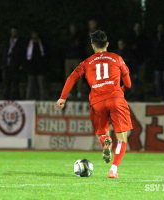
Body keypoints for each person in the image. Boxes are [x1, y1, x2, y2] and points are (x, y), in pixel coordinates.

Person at [54, 30, 133, 178]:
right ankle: (113, 170)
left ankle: (105, 142)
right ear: (107, 44)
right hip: (116, 99)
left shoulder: (87, 62)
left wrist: (63, 97)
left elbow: (72, 77)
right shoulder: (117, 58)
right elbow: (128, 84)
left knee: (103, 132)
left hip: (97, 102)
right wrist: (121, 89)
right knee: (122, 139)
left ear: (93, 46)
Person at [0, 27, 25, 100]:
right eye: (12, 31)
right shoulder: (6, 42)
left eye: (15, 31)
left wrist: (21, 64)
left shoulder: (20, 42)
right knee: (6, 82)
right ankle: (6, 97)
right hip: (6, 64)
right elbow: (1, 53)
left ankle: (15, 97)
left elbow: (23, 54)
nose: (13, 33)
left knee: (15, 82)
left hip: (15, 64)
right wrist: (1, 63)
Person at [25, 31, 47, 100]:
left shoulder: (42, 44)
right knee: (30, 85)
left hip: (40, 68)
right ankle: (28, 99)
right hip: (31, 68)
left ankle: (42, 98)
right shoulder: (29, 44)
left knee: (41, 85)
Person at [65, 24, 85, 99]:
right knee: (69, 76)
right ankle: (69, 92)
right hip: (69, 58)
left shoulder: (79, 37)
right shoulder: (67, 37)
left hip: (77, 58)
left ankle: (79, 91)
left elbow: (81, 46)